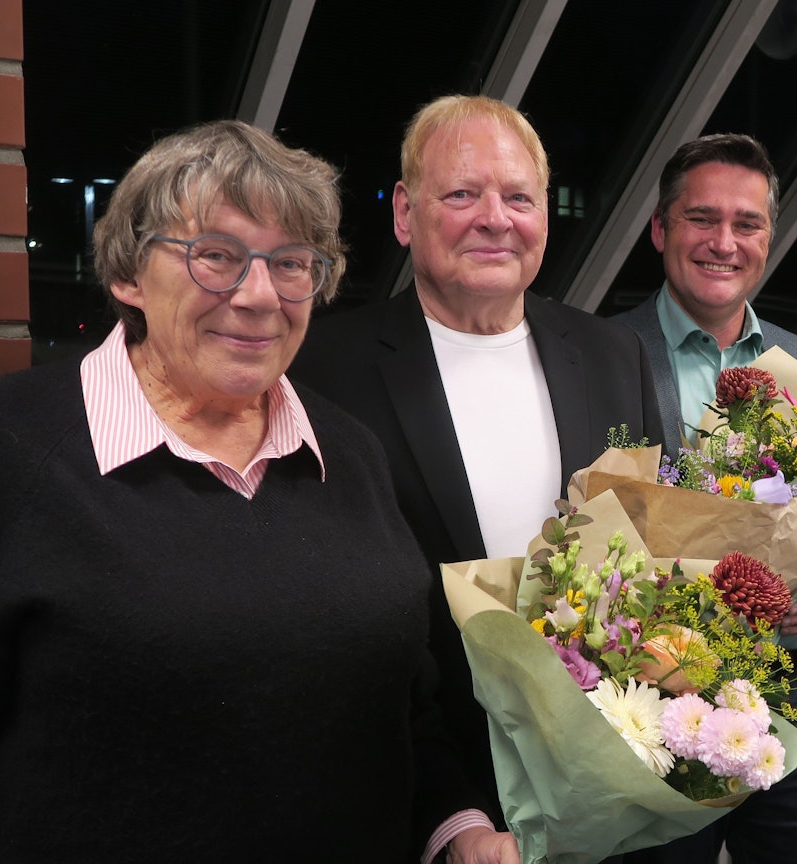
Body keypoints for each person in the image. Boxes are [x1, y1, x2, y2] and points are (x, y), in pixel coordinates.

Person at [0, 120, 516, 864]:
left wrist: (458, 826)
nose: (259, 296)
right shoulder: (2, 447)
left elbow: (402, 704)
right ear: (128, 276)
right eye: (217, 257)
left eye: (291, 263)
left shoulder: (348, 453)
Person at [288, 95, 664, 815]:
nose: (495, 218)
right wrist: (449, 811)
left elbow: (651, 548)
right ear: (405, 213)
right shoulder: (322, 370)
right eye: (462, 194)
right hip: (413, 782)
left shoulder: (613, 355)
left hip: (601, 773)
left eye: (519, 197)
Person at [611, 133, 797, 864]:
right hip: (659, 703)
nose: (724, 242)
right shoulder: (600, 352)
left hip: (796, 697)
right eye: (702, 218)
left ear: (767, 240)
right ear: (660, 229)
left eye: (746, 224)